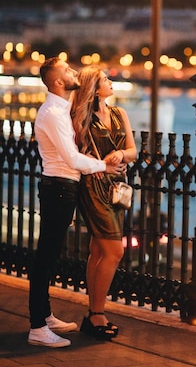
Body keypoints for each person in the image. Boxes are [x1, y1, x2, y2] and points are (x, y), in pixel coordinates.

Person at [29, 57, 125, 348]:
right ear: (58, 81)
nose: (74, 73)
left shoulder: (61, 110)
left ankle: (44, 317)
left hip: (62, 188)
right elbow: (71, 159)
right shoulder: (53, 114)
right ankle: (37, 327)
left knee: (50, 253)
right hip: (58, 187)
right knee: (46, 256)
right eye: (68, 71)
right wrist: (104, 167)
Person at [71, 66, 136, 341]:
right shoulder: (81, 117)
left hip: (115, 189)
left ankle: (92, 313)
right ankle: (97, 312)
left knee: (99, 251)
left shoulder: (120, 113)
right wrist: (99, 163)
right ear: (94, 89)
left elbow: (133, 151)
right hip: (93, 187)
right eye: (105, 80)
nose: (111, 82)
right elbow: (74, 152)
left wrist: (120, 153)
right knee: (114, 251)